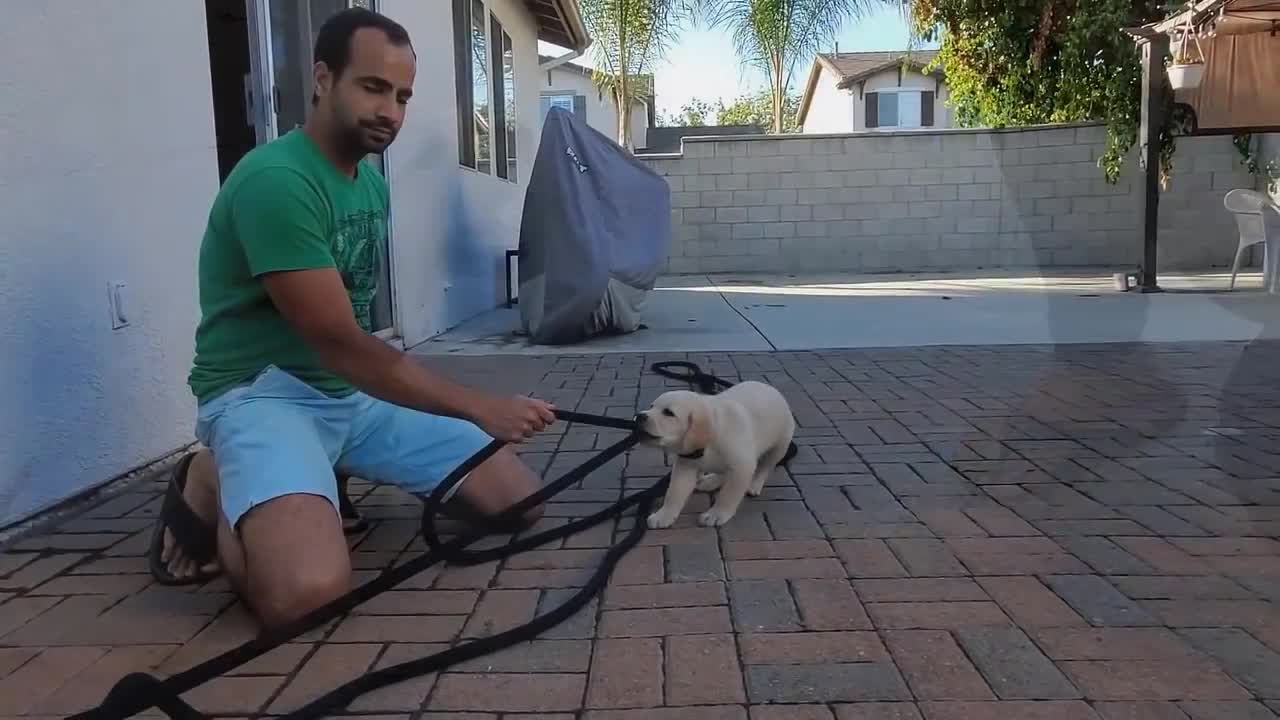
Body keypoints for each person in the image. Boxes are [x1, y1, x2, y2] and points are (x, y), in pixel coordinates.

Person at [149, 7, 556, 630]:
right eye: (372, 87)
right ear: (321, 79)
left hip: (348, 397)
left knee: (518, 504)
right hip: (263, 396)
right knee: (305, 594)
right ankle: (215, 479)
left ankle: (316, 471)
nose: (390, 110)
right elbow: (340, 342)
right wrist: (477, 405)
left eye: (402, 95)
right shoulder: (277, 181)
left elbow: (351, 347)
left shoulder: (368, 184)